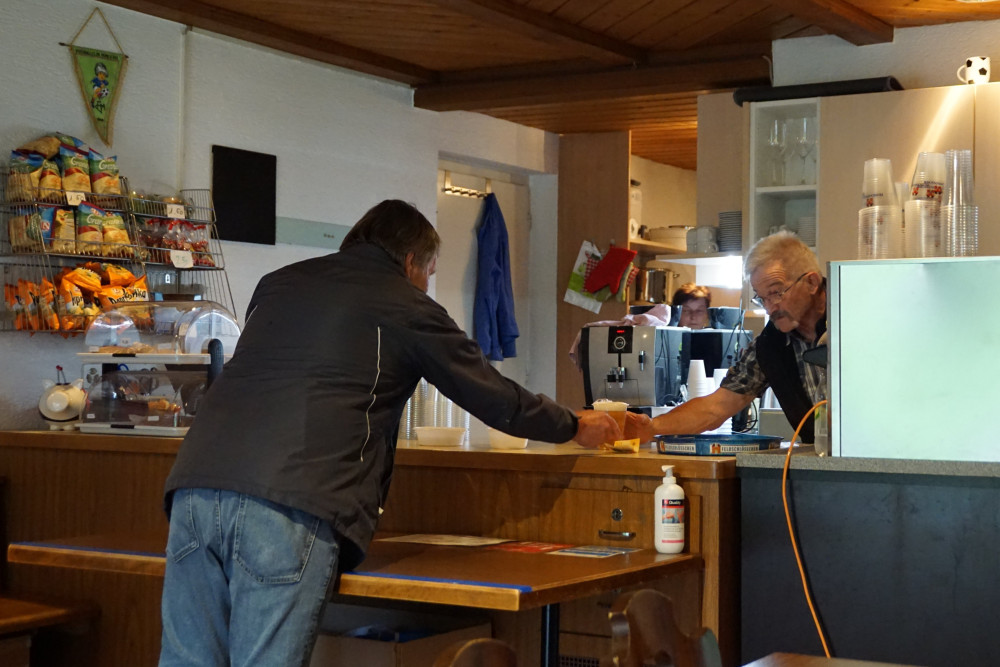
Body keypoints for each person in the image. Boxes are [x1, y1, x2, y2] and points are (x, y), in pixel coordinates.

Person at [157, 199, 624, 667]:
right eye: (430, 274)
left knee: (185, 661)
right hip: (289, 505)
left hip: (194, 488)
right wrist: (572, 425)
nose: (427, 286)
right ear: (411, 262)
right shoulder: (407, 305)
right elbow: (493, 395)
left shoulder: (278, 283)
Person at [634, 231, 827, 443]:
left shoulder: (849, 319)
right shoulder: (771, 345)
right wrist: (649, 427)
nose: (770, 308)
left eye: (776, 293)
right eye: (762, 299)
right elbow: (717, 407)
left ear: (812, 282)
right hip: (820, 458)